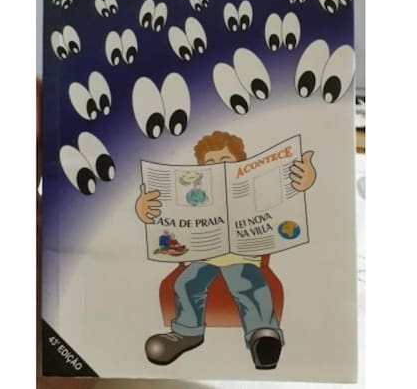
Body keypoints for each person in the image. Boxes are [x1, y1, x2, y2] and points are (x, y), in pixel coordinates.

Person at [135, 130, 316, 369]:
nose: (218, 166)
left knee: (247, 282)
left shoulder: (254, 191)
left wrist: (304, 183)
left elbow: (283, 203)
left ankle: (262, 335)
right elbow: (168, 219)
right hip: (205, 256)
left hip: (242, 256)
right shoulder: (195, 196)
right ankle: (187, 333)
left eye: (225, 160)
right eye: (210, 163)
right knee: (186, 283)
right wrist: (144, 211)